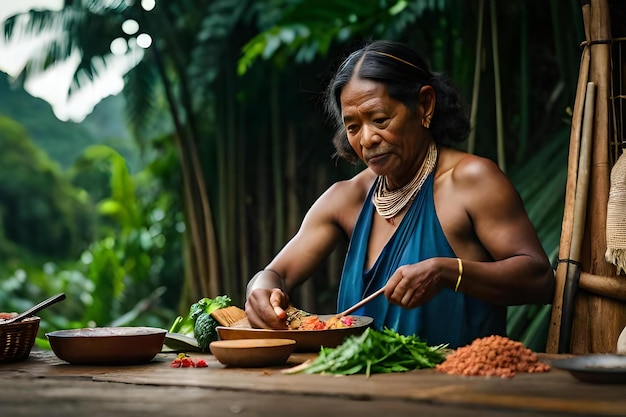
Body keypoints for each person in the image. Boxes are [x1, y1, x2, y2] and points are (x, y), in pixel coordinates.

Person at [245, 40, 555, 348]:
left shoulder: (471, 182)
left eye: (380, 120)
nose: (367, 139)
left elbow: (539, 280)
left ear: (425, 105)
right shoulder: (346, 198)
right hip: (359, 393)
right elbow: (276, 273)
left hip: (461, 391)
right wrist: (261, 289)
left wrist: (448, 271)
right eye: (353, 127)